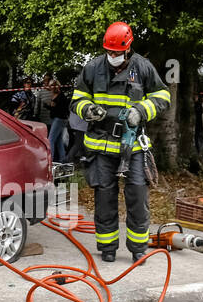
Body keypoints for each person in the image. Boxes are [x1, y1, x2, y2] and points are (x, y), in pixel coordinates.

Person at [70, 21, 172, 261]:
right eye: (109, 51)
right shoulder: (93, 68)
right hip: (100, 144)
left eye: (117, 52)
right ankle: (107, 248)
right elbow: (76, 99)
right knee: (104, 197)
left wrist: (142, 110)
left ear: (128, 48)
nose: (112, 56)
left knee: (137, 195)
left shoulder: (143, 68)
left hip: (133, 145)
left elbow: (162, 95)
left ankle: (138, 249)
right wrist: (88, 110)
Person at [45, 76, 69, 162]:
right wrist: (49, 107)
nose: (50, 87)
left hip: (60, 119)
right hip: (58, 119)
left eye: (51, 85)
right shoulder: (55, 95)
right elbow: (55, 109)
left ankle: (50, 160)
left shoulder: (60, 96)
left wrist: (49, 107)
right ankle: (63, 160)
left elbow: (59, 109)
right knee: (58, 141)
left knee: (50, 139)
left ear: (55, 86)